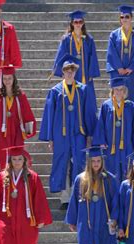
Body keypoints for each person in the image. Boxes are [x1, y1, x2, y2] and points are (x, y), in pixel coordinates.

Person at [39, 55, 97, 208]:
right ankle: (65, 198)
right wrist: (50, 138)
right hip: (61, 135)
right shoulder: (56, 91)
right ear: (62, 72)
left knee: (79, 163)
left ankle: (79, 195)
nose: (69, 73)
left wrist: (90, 134)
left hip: (79, 134)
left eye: (72, 70)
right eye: (66, 70)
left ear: (75, 72)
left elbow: (89, 113)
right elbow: (49, 115)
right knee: (62, 164)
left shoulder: (83, 89)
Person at [0, 146, 52, 244]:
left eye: (19, 159)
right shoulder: (2, 177)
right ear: (10, 161)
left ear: (24, 160)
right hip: (6, 222)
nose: (17, 162)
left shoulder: (32, 177)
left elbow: (39, 198)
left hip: (27, 222)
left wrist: (41, 218)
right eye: (14, 159)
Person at [65, 146, 119, 244]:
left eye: (98, 161)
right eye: (93, 161)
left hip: (104, 223)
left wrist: (114, 218)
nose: (96, 164)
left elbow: (116, 202)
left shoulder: (109, 179)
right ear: (89, 162)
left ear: (102, 161)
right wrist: (72, 220)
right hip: (86, 224)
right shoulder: (81, 179)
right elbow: (74, 200)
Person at [92, 77, 134, 181]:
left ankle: (126, 195)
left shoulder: (131, 106)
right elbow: (101, 125)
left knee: (127, 171)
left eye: (121, 89)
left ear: (125, 91)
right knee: (111, 173)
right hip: (111, 147)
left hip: (127, 146)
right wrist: (101, 142)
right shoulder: (106, 106)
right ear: (112, 91)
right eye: (116, 89)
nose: (119, 92)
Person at [0, 65, 36, 170]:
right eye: (4, 78)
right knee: (3, 158)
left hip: (17, 131)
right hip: (1, 133)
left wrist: (28, 130)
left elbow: (27, 113)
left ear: (14, 78)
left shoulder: (20, 95)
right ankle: (6, 181)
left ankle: (18, 180)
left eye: (9, 78)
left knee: (17, 156)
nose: (7, 81)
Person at [52, 10, 100, 97]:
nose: (78, 24)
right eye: (76, 22)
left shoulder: (89, 39)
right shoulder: (66, 39)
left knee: (86, 96)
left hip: (85, 72)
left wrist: (91, 73)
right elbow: (61, 56)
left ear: (83, 23)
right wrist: (63, 72)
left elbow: (93, 57)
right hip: (70, 71)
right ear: (72, 23)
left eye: (80, 22)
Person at [106, 5, 134, 104]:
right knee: (116, 98)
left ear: (131, 18)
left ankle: (130, 119)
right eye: (122, 17)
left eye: (127, 16)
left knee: (130, 98)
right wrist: (119, 68)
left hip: (130, 73)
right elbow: (111, 53)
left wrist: (131, 68)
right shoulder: (114, 35)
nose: (124, 19)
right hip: (117, 72)